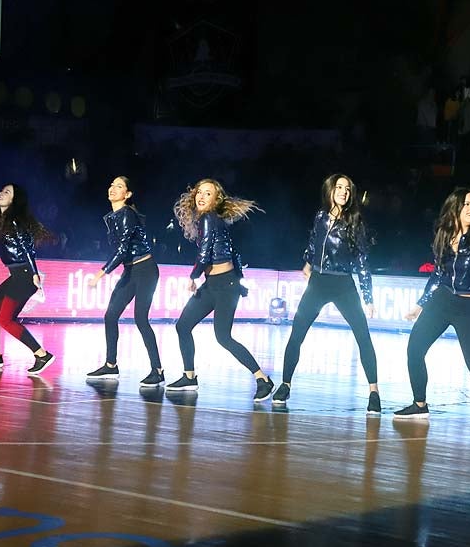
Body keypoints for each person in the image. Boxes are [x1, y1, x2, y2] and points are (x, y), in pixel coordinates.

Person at [393, 188, 470, 431]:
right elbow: (438, 274)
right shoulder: (444, 234)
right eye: (467, 204)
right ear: (455, 208)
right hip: (442, 301)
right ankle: (420, 405)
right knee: (414, 349)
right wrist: (420, 304)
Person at [273, 174, 381, 412]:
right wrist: (308, 263)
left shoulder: (355, 221)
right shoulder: (321, 217)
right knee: (297, 333)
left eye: (347, 189)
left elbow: (363, 261)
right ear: (331, 191)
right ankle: (285, 384)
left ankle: (374, 392)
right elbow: (313, 242)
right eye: (339, 187)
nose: (343, 191)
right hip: (318, 283)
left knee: (363, 336)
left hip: (343, 284)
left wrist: (368, 297)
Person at [169, 179, 271, 397]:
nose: (202, 196)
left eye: (208, 193)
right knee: (183, 326)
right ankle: (189, 377)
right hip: (214, 285)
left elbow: (205, 253)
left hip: (225, 285)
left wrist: (194, 276)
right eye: (199, 192)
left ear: (216, 200)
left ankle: (262, 378)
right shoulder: (214, 221)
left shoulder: (209, 218)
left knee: (223, 337)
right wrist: (239, 279)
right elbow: (234, 252)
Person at [84, 177, 163, 384]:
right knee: (110, 316)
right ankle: (111, 365)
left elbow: (122, 249)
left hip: (145, 269)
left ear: (127, 194)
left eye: (119, 186)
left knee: (141, 319)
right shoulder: (113, 216)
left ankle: (158, 370)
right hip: (130, 271)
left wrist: (100, 274)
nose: (112, 188)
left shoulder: (127, 214)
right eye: (111, 185)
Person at [0, 184, 55, 374]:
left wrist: (34, 273)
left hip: (24, 275)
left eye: (7, 192)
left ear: (14, 201)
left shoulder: (14, 221)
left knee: (6, 320)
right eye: (1, 190)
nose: (1, 193)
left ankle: (42, 355)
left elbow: (26, 248)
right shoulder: (5, 220)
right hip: (16, 275)